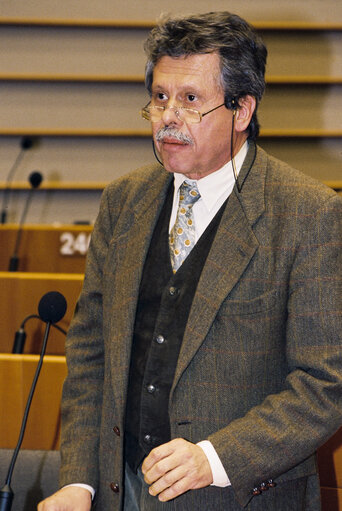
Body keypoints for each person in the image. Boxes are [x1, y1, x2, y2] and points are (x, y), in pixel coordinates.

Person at [38, 11, 342, 511]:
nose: (168, 117)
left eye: (191, 100)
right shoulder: (123, 201)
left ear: (243, 110)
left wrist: (215, 457)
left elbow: (325, 384)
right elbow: (91, 353)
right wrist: (80, 480)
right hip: (120, 493)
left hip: (236, 496)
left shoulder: (308, 214)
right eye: (160, 98)